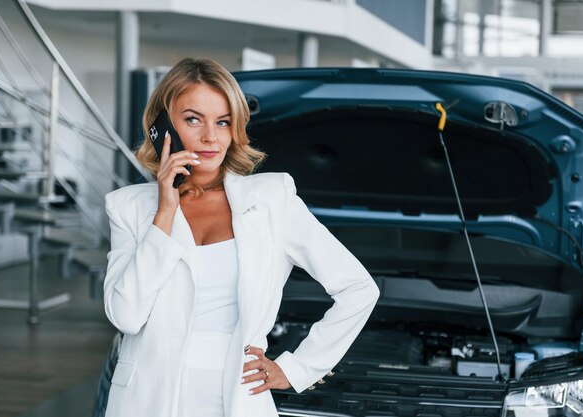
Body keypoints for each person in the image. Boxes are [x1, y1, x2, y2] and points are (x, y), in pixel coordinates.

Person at [102, 57, 380, 417]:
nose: (209, 137)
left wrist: (297, 368)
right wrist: (165, 213)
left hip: (236, 398)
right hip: (146, 401)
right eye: (192, 119)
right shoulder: (128, 208)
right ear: (162, 125)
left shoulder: (272, 199)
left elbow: (358, 288)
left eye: (222, 122)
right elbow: (125, 316)